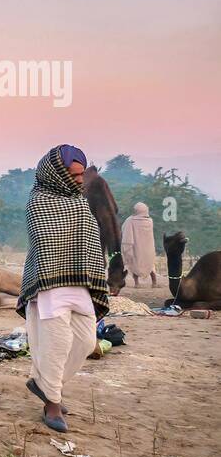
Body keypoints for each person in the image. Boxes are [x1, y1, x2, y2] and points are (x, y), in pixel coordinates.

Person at [17, 145, 109, 433]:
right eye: (75, 175)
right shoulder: (38, 202)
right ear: (57, 174)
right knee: (57, 345)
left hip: (80, 281)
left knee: (84, 341)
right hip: (50, 283)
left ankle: (43, 385)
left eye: (82, 175)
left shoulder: (80, 203)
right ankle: (53, 403)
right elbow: (45, 243)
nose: (81, 181)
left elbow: (91, 243)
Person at [121, 202, 157, 288]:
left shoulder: (130, 220)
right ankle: (154, 282)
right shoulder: (150, 221)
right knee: (150, 265)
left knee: (135, 264)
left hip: (136, 248)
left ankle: (137, 283)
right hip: (148, 249)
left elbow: (124, 230)